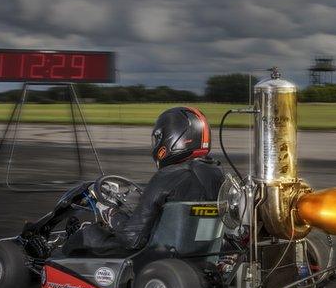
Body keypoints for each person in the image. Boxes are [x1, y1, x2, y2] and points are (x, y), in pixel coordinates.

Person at [61, 106, 224, 256]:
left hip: (156, 254)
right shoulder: (217, 173)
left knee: (86, 234)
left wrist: (112, 214)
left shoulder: (168, 176)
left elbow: (132, 239)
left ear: (172, 137)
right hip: (198, 252)